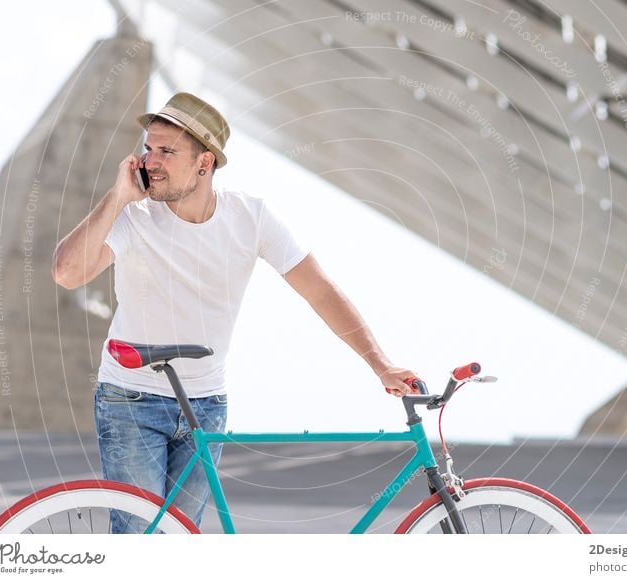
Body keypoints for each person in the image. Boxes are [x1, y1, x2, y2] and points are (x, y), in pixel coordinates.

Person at [51, 92, 419, 533]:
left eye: (167, 151)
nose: (151, 160)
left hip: (204, 403)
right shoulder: (135, 218)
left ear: (204, 164)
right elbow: (66, 273)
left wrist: (379, 364)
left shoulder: (251, 217)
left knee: (181, 540)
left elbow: (319, 290)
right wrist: (117, 197)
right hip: (130, 397)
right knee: (136, 536)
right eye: (149, 148)